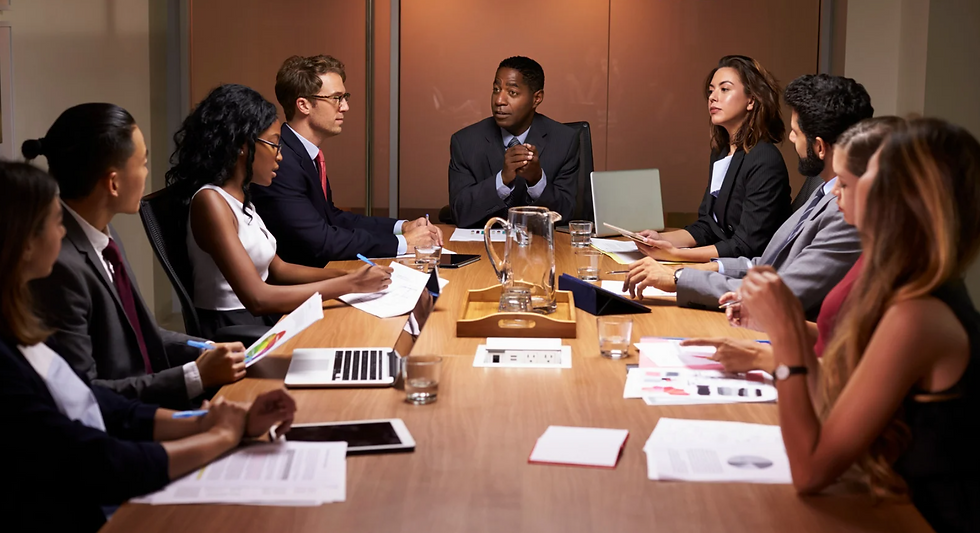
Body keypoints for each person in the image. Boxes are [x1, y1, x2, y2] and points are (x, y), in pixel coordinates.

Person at [0, 161, 297, 533]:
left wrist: (209, 421)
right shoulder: (7, 362)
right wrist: (221, 436)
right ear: (24, 242)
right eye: (54, 221)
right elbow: (100, 461)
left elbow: (103, 406)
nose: (62, 233)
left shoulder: (24, 331)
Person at [736, 118, 980, 533]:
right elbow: (830, 409)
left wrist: (787, 334)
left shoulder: (917, 315)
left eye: (858, 179)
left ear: (903, 198)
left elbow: (811, 471)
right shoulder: (897, 285)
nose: (835, 189)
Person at [24, 103, 245, 409]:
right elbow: (84, 395)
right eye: (142, 163)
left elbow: (143, 333)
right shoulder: (59, 266)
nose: (146, 172)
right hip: (125, 424)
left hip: (150, 403)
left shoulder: (102, 233)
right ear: (113, 182)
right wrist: (195, 376)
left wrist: (207, 348)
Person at [625, 74, 872, 320]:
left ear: (819, 147)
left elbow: (781, 292)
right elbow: (767, 263)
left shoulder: (845, 211)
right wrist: (692, 268)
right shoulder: (821, 190)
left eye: (796, 132)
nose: (790, 138)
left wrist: (678, 277)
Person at [166, 84, 394, 339]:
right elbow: (257, 298)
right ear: (243, 145)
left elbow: (280, 270)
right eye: (274, 145)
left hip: (263, 318)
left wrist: (351, 275)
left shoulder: (241, 197)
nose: (280, 156)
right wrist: (349, 285)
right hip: (237, 331)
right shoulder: (210, 202)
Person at [679, 117, 906, 372]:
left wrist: (768, 358)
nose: (834, 191)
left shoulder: (912, 300)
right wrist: (775, 320)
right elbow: (843, 338)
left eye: (844, 182)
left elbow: (852, 380)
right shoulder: (877, 254)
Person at [251, 55, 441, 266]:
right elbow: (319, 240)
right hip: (299, 286)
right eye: (336, 98)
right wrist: (402, 243)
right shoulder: (281, 159)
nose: (345, 107)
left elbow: (333, 217)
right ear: (304, 105)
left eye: (345, 97)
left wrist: (402, 226)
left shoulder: (305, 152)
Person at [634, 55, 791, 262]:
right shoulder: (722, 152)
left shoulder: (765, 159)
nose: (713, 97)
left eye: (724, 89)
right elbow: (709, 225)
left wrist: (677, 255)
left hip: (747, 275)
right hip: (722, 262)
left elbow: (745, 245)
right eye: (711, 91)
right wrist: (660, 239)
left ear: (751, 100)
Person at [448, 56, 581, 228]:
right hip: (482, 247)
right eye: (496, 89)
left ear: (536, 98)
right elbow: (460, 212)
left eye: (512, 93)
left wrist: (537, 180)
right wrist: (502, 180)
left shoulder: (564, 140)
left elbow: (568, 212)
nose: (499, 101)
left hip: (541, 249)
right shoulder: (465, 142)